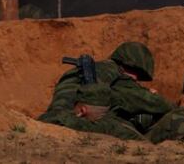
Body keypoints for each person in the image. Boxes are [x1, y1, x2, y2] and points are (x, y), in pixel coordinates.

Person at [38, 42, 173, 139]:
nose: (136, 81)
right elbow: (157, 104)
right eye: (137, 77)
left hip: (56, 118)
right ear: (132, 69)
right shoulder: (120, 77)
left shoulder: (99, 70)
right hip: (73, 122)